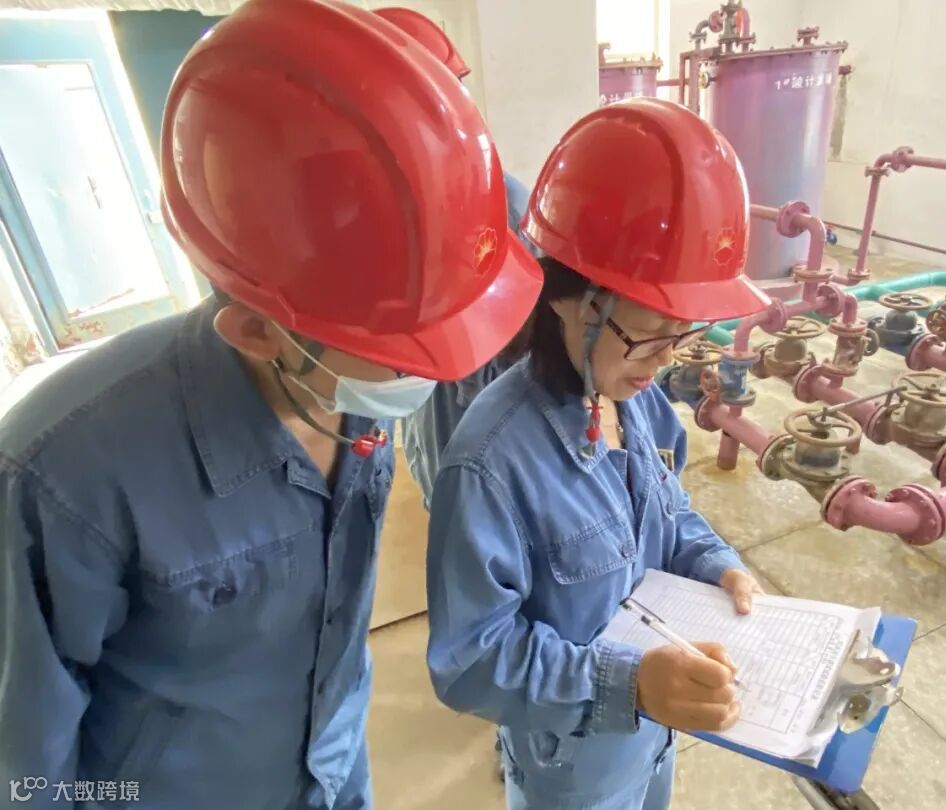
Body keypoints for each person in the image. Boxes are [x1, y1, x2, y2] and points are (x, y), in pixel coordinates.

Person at [0, 2, 541, 808]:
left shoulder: (341, 388)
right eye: (404, 350)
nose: (434, 373)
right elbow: (26, 772)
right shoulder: (62, 482)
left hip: (336, 775)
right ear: (258, 330)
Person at [424, 98, 770, 810]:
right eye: (650, 334)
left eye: (682, 335)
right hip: (571, 770)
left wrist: (719, 564)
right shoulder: (490, 464)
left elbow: (670, 514)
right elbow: (470, 659)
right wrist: (629, 685)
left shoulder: (636, 398)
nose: (664, 359)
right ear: (568, 299)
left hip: (652, 739)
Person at [373, 6, 543, 506]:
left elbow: (533, 336)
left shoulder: (503, 204)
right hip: (426, 410)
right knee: (445, 490)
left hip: (488, 415)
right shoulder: (378, 212)